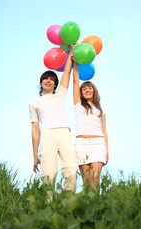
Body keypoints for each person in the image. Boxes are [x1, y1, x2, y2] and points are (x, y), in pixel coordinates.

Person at [29, 45, 78, 191]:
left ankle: (67, 203)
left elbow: (67, 73)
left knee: (72, 170)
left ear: (55, 84)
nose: (48, 81)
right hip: (47, 135)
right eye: (45, 79)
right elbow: (35, 129)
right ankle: (49, 207)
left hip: (64, 133)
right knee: (48, 175)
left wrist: (72, 52)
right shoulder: (34, 103)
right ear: (41, 82)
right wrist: (34, 155)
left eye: (51, 79)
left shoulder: (59, 95)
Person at [73, 61, 108, 189]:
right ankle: (87, 208)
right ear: (81, 92)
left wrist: (107, 151)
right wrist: (75, 64)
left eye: (90, 88)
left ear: (94, 91)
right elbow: (75, 81)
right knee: (86, 181)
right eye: (84, 88)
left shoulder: (101, 109)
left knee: (94, 180)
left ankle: (97, 208)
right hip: (81, 144)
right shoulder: (78, 104)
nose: (87, 89)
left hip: (98, 144)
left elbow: (104, 131)